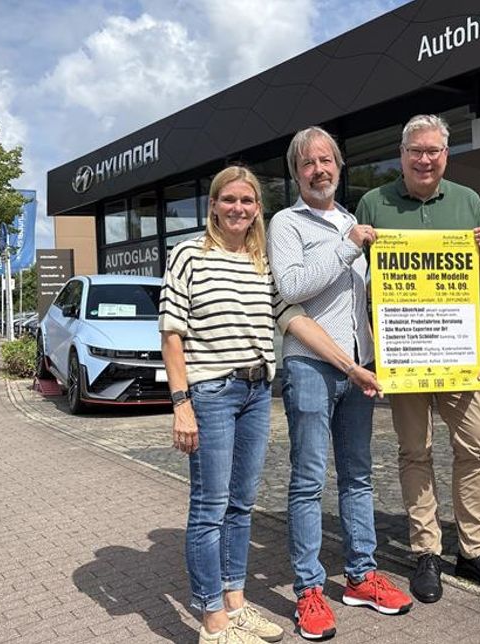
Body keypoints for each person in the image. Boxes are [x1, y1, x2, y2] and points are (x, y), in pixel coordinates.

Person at [161, 166, 382, 644]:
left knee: (241, 505)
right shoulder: (188, 255)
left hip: (258, 392)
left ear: (257, 208)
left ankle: (235, 604)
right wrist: (181, 404)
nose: (238, 208)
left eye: (247, 201)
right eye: (228, 200)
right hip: (211, 393)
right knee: (210, 506)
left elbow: (295, 321)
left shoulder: (262, 263)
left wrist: (351, 367)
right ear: (213, 205)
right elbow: (172, 334)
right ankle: (212, 621)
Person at [355, 114, 480, 603]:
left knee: (477, 446)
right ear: (401, 154)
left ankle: (473, 550)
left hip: (456, 350)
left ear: (446, 155)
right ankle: (426, 550)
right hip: (404, 350)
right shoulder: (373, 202)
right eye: (416, 151)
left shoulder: (468, 200)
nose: (424, 159)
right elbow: (360, 283)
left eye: (433, 151)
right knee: (415, 451)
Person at [267, 127, 413, 640]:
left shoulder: (353, 221)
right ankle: (308, 589)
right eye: (308, 163)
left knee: (358, 476)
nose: (319, 170)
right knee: (308, 480)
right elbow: (293, 286)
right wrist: (348, 248)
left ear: (340, 165)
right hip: (309, 366)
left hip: (360, 367)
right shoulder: (286, 223)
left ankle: (361, 576)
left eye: (326, 160)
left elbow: (368, 300)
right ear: (296, 173)